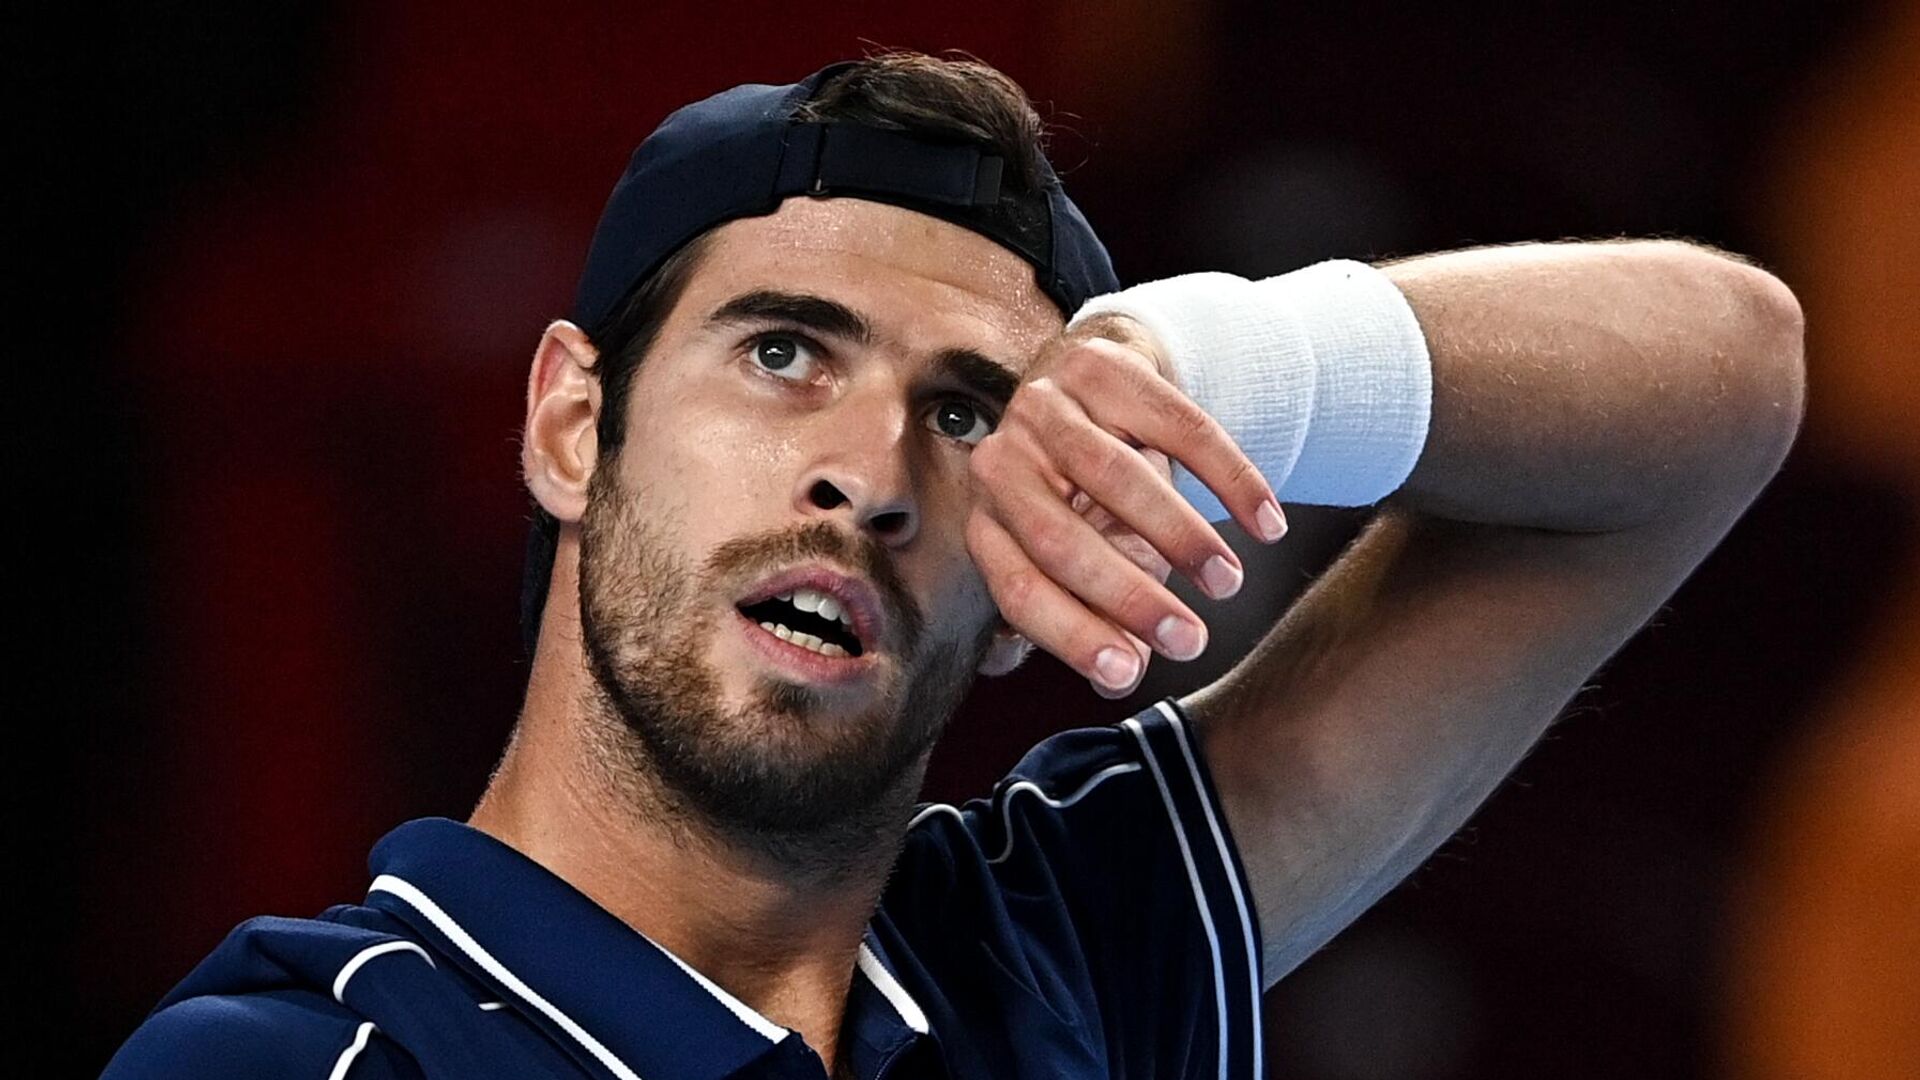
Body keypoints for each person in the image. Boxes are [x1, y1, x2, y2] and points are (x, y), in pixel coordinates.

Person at [102, 50, 1805, 1080]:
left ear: (1023, 579)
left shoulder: (1069, 945)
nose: (871, 474)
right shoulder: (313, 1058)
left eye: (974, 414)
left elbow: (1730, 385)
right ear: (571, 427)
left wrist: (1229, 371)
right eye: (783, 352)